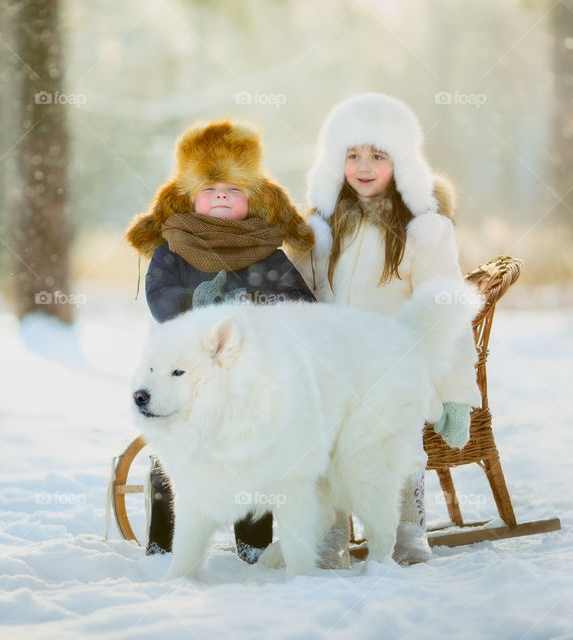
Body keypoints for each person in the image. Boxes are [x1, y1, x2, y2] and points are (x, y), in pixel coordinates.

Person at [294, 92, 481, 568]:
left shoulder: (424, 231)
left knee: (392, 435)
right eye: (352, 154)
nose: (364, 165)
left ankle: (407, 527)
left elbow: (446, 309)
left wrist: (457, 392)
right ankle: (331, 530)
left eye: (378, 155)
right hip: (332, 364)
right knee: (323, 435)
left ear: (401, 164)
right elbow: (297, 296)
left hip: (396, 365)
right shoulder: (319, 229)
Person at [126, 119, 316, 562]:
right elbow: (159, 299)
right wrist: (196, 299)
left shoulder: (267, 252)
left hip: (250, 377)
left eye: (233, 190)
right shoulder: (172, 249)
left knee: (251, 453)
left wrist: (263, 308)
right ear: (190, 199)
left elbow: (300, 304)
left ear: (251, 200)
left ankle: (253, 543)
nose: (222, 196)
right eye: (211, 191)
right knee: (173, 453)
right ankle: (165, 542)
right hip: (183, 376)